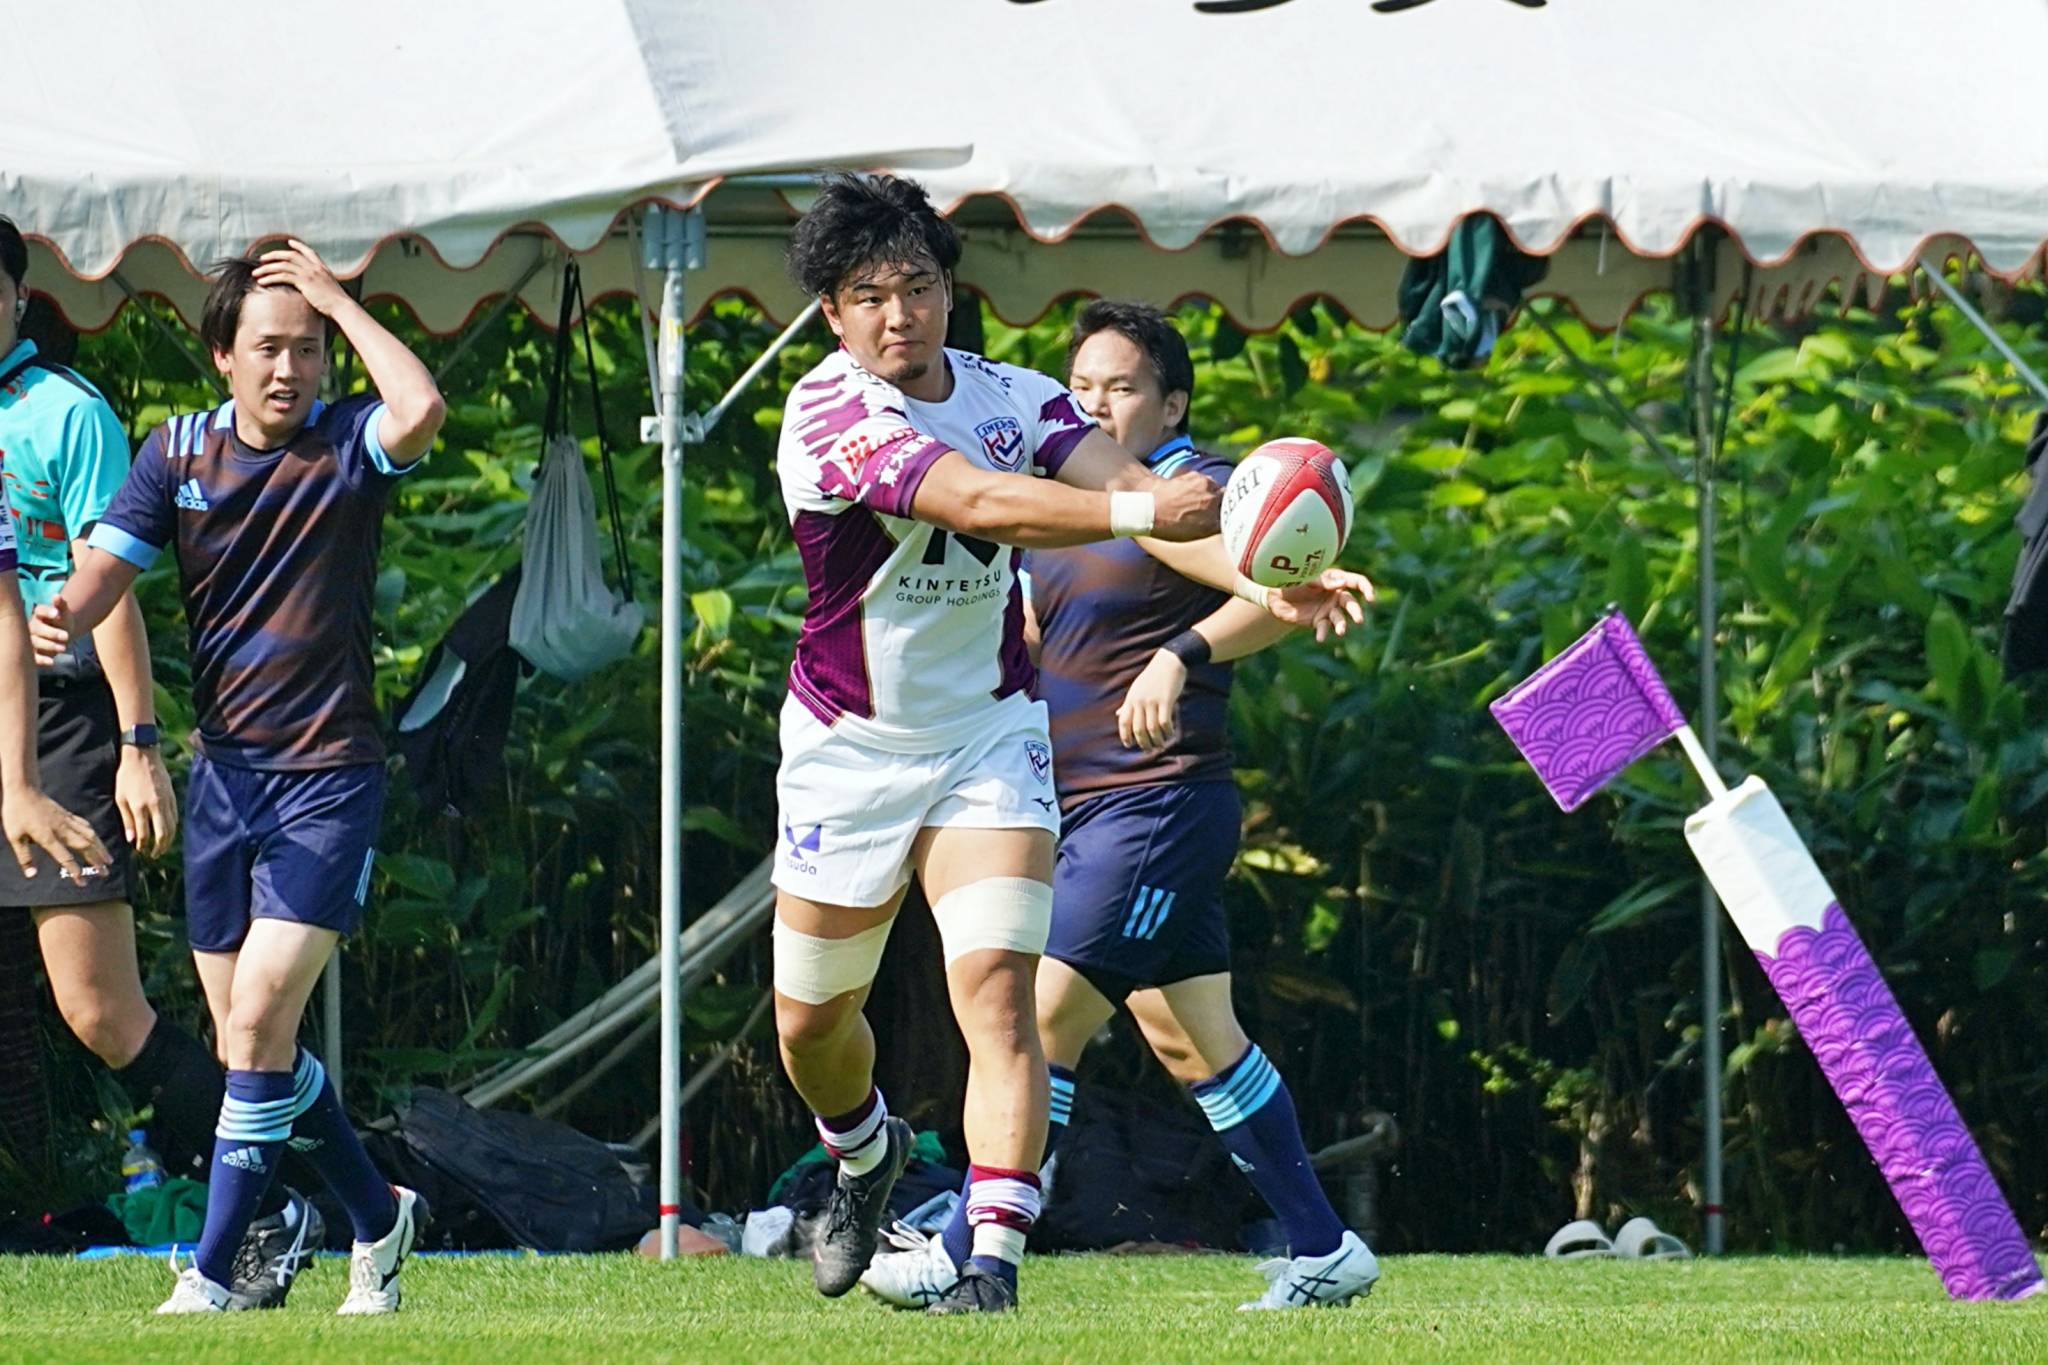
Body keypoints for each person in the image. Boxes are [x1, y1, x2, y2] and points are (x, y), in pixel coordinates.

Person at [769, 175, 1364, 1316]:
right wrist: (1144, 511)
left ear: (949, 292)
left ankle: (988, 1262)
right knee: (809, 1026)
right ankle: (862, 1151)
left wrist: (1266, 578)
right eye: (869, 296)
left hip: (989, 735)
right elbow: (979, 504)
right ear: (833, 313)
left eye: (918, 287)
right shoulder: (829, 413)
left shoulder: (1015, 396)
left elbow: (1137, 492)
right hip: (850, 748)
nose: (899, 315)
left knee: (1002, 999)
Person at [31, 240, 444, 1315]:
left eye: (306, 349)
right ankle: (376, 1214)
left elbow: (421, 407)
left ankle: (212, 1271)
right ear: (223, 354)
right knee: (250, 1043)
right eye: (267, 348)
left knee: (258, 1017)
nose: (288, 369)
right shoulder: (177, 453)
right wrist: (61, 613)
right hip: (224, 784)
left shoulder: (349, 443)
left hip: (329, 780)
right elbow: (105, 570)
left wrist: (337, 301)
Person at [0, 216, 329, 1305]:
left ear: (17, 299)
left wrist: (138, 745)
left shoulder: (66, 413)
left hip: (62, 719)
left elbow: (114, 587)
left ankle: (280, 1196)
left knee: (98, 1008)